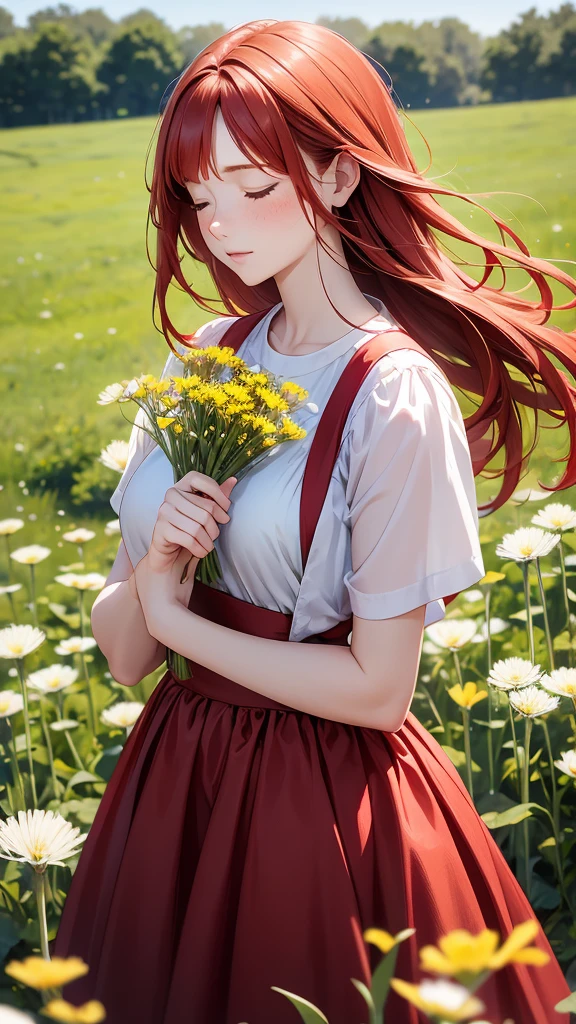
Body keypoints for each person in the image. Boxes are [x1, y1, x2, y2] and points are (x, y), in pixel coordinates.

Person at [52, 19, 576, 1024]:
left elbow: (381, 689)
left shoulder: (391, 393)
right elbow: (123, 652)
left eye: (253, 186)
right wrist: (156, 562)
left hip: (325, 806)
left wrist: (177, 620)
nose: (223, 227)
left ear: (339, 175)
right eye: (200, 198)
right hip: (176, 785)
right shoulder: (208, 355)